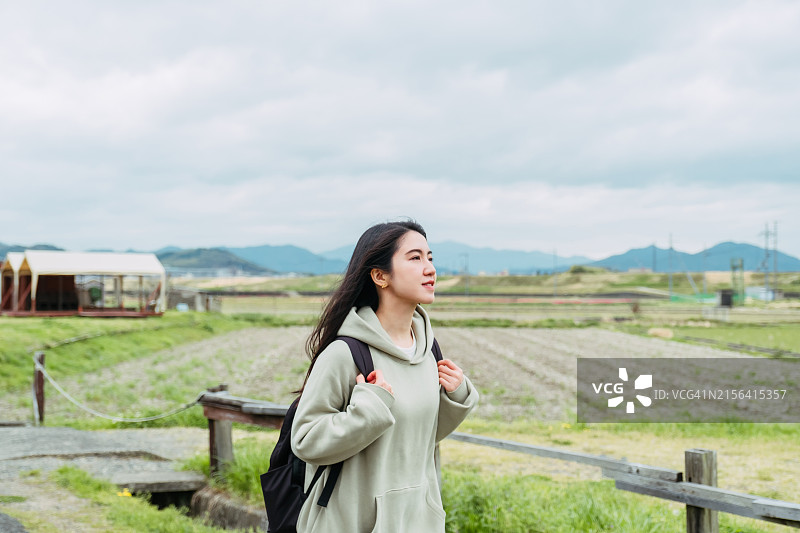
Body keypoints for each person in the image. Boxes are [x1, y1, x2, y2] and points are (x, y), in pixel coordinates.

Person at [290, 220, 479, 533]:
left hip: (417, 522)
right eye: (415, 258)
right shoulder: (345, 354)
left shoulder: (429, 351)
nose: (430, 269)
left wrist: (456, 398)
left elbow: (416, 438)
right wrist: (369, 410)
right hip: (349, 522)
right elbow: (305, 442)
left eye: (430, 258)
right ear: (379, 276)